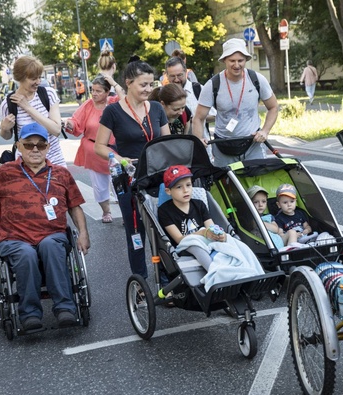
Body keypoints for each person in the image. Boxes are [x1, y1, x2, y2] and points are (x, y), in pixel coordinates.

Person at [0, 123, 90, 331]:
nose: (35, 149)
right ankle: (29, 314)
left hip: (52, 234)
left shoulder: (61, 174)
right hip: (14, 238)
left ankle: (65, 308)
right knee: (26, 254)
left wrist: (83, 233)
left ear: (47, 147)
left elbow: (75, 206)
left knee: (51, 246)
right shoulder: (5, 172)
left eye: (40, 144)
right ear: (19, 146)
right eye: (29, 145)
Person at [94, 56, 170, 278]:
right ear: (128, 83)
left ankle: (167, 279)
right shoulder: (113, 112)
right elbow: (99, 146)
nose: (148, 89)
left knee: (164, 228)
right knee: (136, 231)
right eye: (143, 84)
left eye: (151, 84)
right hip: (130, 179)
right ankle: (141, 281)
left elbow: (167, 142)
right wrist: (120, 159)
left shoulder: (156, 109)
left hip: (157, 177)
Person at [192, 38, 279, 167]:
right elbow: (198, 118)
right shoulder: (213, 85)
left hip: (252, 144)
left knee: (256, 184)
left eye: (240, 60)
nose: (237, 65)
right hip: (223, 146)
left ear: (246, 60)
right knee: (225, 185)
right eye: (232, 61)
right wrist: (199, 140)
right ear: (224, 61)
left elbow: (273, 107)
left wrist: (265, 131)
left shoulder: (257, 79)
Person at [64, 75, 118, 223]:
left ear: (107, 92)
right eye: (92, 90)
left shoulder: (114, 103)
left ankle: (126, 210)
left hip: (114, 151)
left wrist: (114, 83)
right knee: (100, 187)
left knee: (120, 183)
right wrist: (69, 124)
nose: (94, 94)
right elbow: (76, 121)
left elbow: (127, 98)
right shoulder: (87, 105)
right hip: (94, 151)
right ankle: (106, 211)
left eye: (98, 91)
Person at [0, 56, 66, 167]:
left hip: (54, 161)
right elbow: (7, 136)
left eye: (39, 77)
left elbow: (56, 130)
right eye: (34, 79)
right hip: (26, 165)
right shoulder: (8, 103)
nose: (38, 82)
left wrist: (28, 107)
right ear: (21, 78)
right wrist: (4, 129)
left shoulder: (48, 94)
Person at [158, 165, 224, 270]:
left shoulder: (199, 204)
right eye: (179, 187)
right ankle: (214, 272)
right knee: (195, 245)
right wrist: (202, 233)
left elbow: (211, 227)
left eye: (188, 185)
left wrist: (218, 234)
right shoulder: (164, 211)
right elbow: (179, 239)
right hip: (184, 248)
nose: (185, 190)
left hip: (206, 241)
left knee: (229, 239)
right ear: (168, 191)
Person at [247, 185, 297, 249]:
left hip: (280, 242)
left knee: (292, 232)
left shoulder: (269, 216)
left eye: (263, 201)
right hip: (267, 246)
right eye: (256, 202)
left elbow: (276, 229)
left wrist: (260, 223)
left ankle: (291, 251)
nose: (260, 205)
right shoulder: (250, 218)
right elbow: (253, 226)